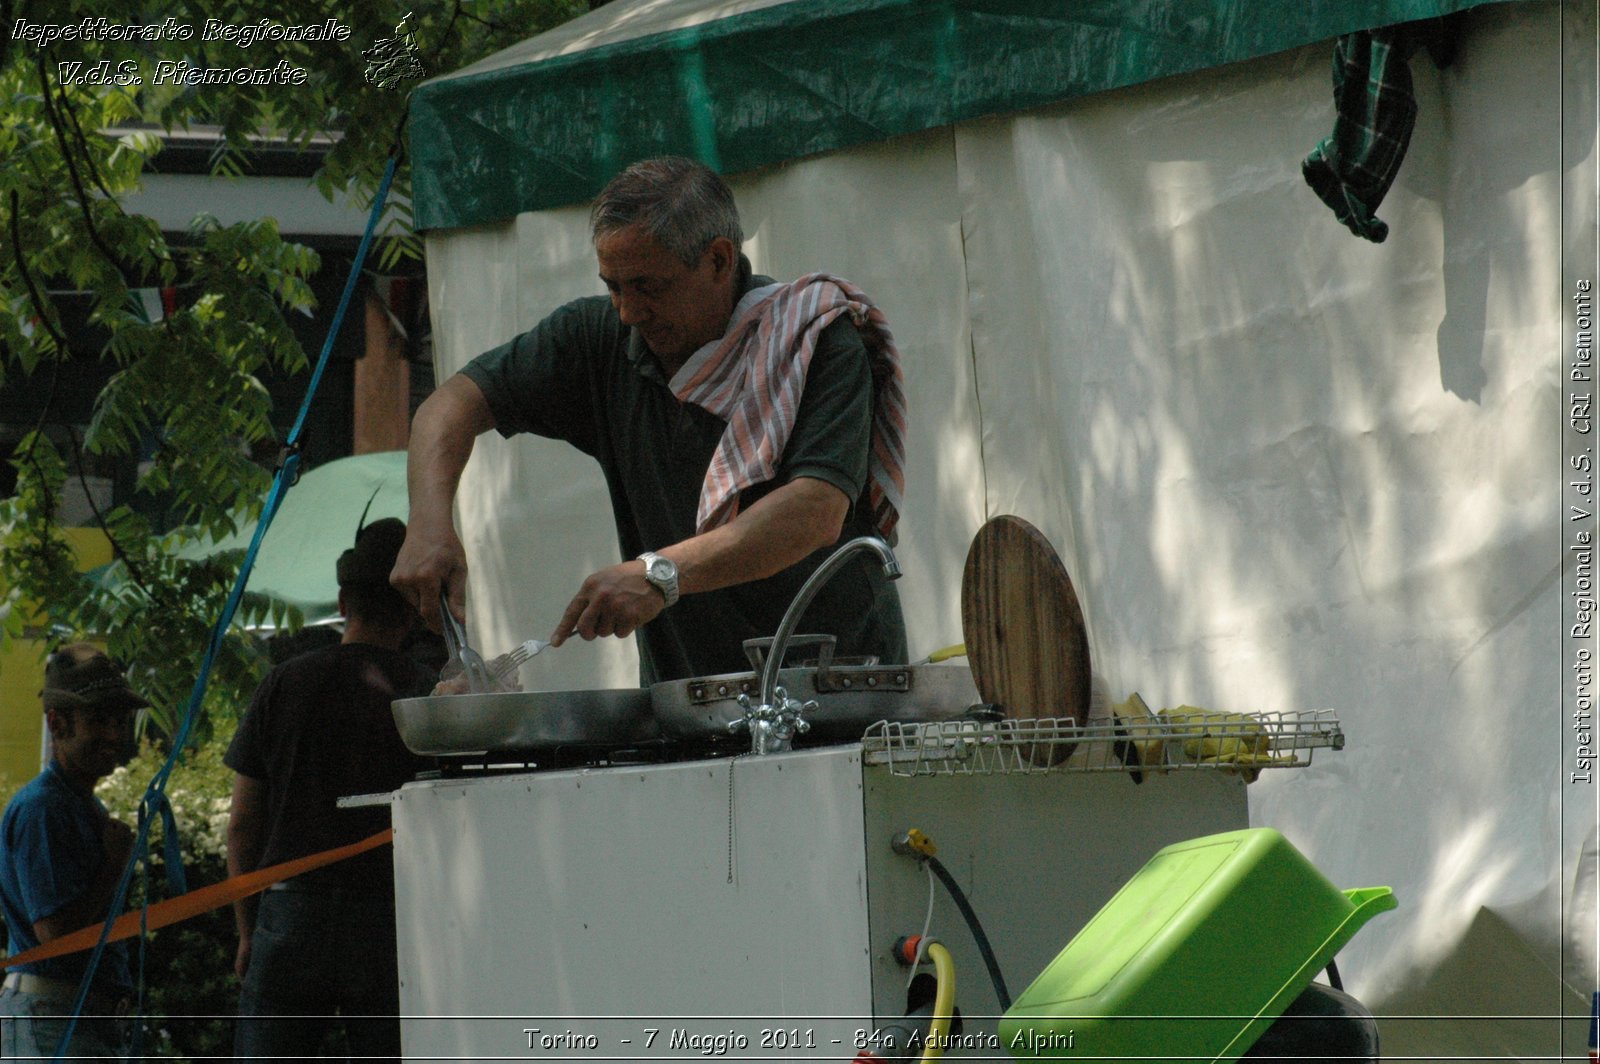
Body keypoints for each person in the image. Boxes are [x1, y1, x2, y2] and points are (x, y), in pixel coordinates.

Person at [391, 155, 909, 684]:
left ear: (718, 260)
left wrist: (661, 574)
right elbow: (451, 404)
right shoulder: (600, 342)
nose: (628, 312)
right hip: (684, 703)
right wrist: (429, 522)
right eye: (613, 287)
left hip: (841, 689)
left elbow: (815, 512)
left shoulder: (813, 341)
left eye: (649, 287)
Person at [226, 516, 432, 1062]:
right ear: (412, 613)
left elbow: (243, 825)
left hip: (292, 914)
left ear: (343, 603)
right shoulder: (426, 695)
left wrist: (249, 932)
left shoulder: (283, 683)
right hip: (389, 922)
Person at [0, 643, 142, 1061]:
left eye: (121, 720)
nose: (115, 735)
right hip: (50, 1023)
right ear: (56, 723)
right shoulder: (44, 807)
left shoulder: (81, 803)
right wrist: (114, 868)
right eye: (98, 720)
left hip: (76, 1021)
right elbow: (56, 936)